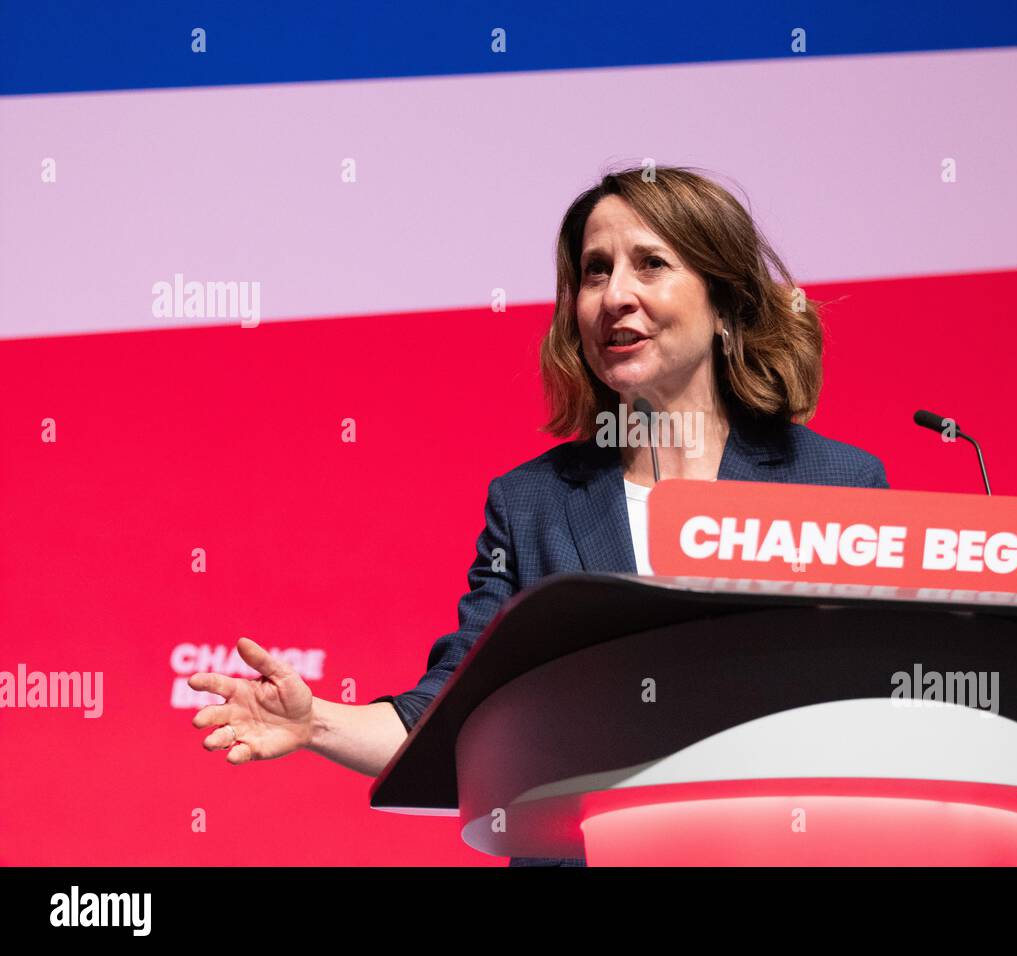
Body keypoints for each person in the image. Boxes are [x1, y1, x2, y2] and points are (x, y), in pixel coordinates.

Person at [189, 165, 889, 866]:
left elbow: (882, 712)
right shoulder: (532, 505)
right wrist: (316, 724)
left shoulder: (836, 485)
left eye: (651, 264)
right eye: (594, 272)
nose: (616, 296)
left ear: (726, 305)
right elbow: (454, 717)